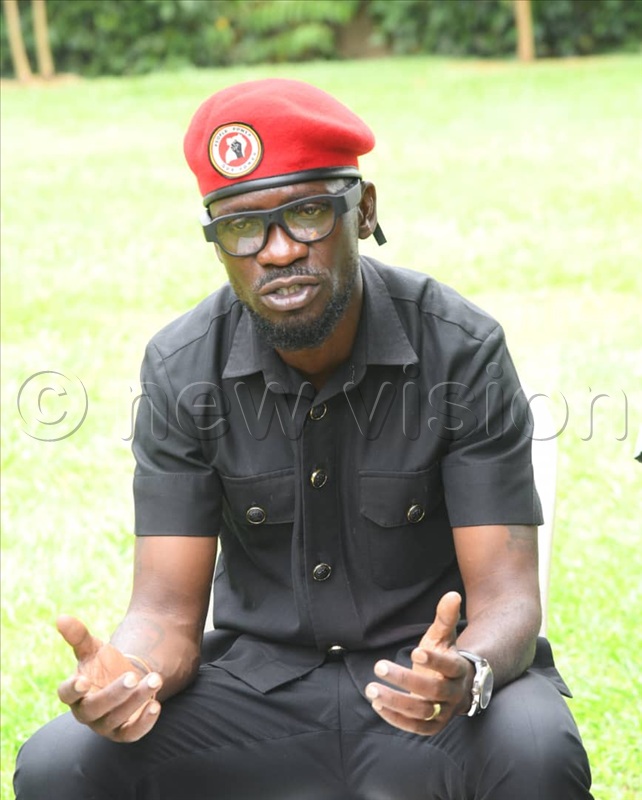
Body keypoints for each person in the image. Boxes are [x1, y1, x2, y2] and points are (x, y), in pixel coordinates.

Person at [14, 78, 593, 800]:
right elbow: (164, 611)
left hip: (427, 692)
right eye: (241, 228)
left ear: (365, 210)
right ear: (219, 244)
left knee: (535, 748)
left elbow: (507, 597)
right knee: (57, 764)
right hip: (260, 699)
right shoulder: (181, 366)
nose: (278, 251)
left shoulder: (459, 349)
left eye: (310, 213)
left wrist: (466, 670)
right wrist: (133, 674)